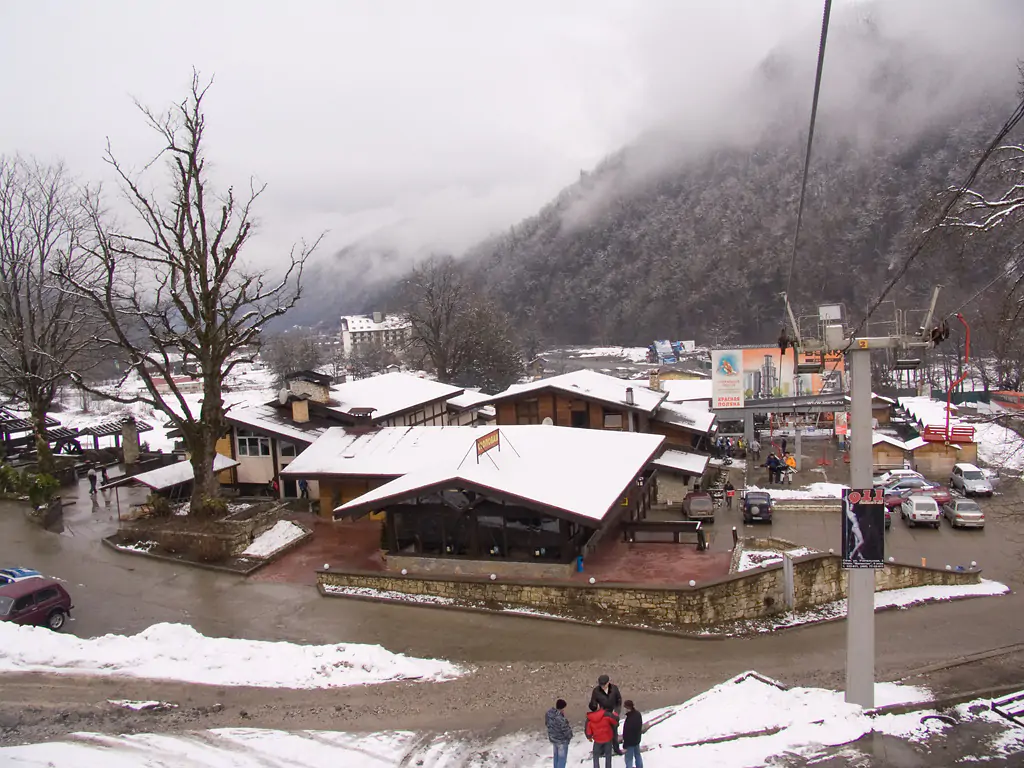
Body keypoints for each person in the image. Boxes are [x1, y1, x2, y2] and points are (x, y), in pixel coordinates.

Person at [589, 674, 623, 754]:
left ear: (608, 683)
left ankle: (616, 749)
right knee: (603, 733)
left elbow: (619, 701)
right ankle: (601, 750)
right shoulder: (596, 691)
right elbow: (593, 703)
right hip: (603, 715)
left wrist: (616, 712)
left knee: (614, 733)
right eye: (601, 685)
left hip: (613, 714)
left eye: (604, 685)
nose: (602, 687)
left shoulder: (614, 689)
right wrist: (593, 706)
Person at [585, 703, 618, 768]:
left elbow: (588, 730)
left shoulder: (589, 718)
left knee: (596, 755)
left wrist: (589, 737)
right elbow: (615, 721)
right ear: (598, 707)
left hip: (597, 739)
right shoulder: (606, 714)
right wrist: (615, 714)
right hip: (608, 738)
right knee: (608, 755)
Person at [545, 698, 573, 768]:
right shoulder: (561, 719)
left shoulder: (549, 714)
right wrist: (570, 736)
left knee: (556, 758)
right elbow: (566, 730)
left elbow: (547, 724)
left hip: (554, 739)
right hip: (562, 741)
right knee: (562, 760)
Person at [621, 700, 644, 768]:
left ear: (628, 708)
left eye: (625, 707)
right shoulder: (638, 714)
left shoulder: (630, 719)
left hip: (630, 743)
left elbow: (627, 733)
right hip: (637, 740)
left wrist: (625, 746)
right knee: (637, 755)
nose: (624, 709)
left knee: (628, 759)